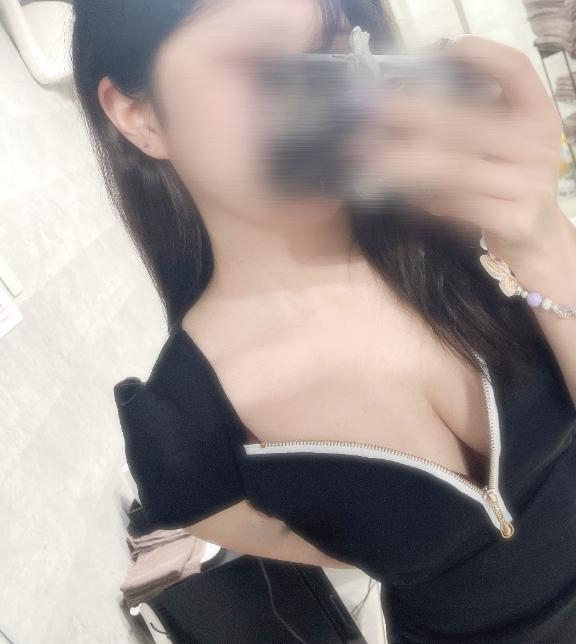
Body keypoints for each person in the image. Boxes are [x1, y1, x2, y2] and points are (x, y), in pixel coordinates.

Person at [71, 0, 576, 641]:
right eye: (257, 61)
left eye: (335, 50)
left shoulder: (474, 235)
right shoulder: (184, 436)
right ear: (138, 114)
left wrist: (544, 241)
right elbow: (346, 551)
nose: (324, 95)